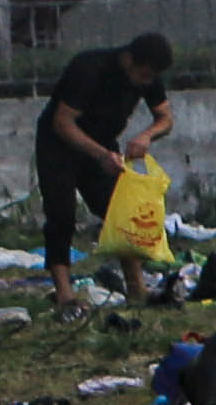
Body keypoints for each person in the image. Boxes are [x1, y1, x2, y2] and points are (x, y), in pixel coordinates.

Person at [35, 30, 180, 282]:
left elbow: (165, 118)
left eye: (152, 78)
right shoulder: (89, 69)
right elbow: (62, 123)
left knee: (122, 214)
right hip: (59, 145)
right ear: (129, 61)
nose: (147, 83)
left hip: (103, 144)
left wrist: (146, 135)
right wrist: (101, 155)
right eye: (145, 75)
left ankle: (136, 287)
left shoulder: (147, 77)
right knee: (62, 215)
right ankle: (64, 292)